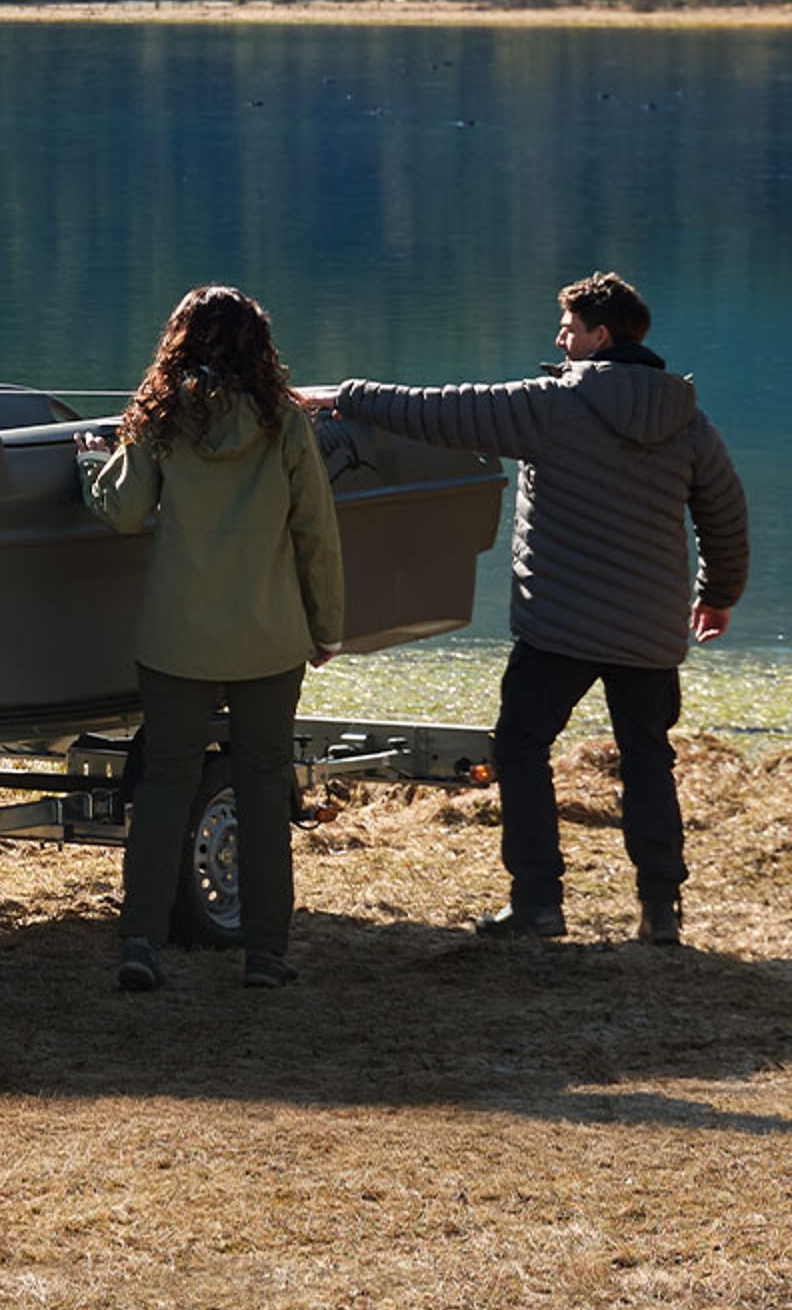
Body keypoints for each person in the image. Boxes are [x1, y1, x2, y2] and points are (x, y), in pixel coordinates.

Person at [318, 273, 748, 946]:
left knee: (521, 748)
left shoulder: (554, 406)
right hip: (647, 629)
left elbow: (444, 410)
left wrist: (348, 397)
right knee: (647, 759)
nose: (559, 338)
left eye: (569, 328)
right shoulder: (686, 419)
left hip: (561, 627)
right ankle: (661, 912)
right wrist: (718, 594)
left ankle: (539, 905)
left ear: (599, 337)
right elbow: (724, 512)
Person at [81, 285, 343, 996]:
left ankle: (141, 942)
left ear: (179, 342)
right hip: (269, 638)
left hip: (177, 638)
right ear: (259, 346)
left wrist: (89, 468)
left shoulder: (159, 417)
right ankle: (264, 953)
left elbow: (126, 512)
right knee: (263, 786)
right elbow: (315, 530)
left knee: (165, 784)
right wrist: (326, 626)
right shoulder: (284, 422)